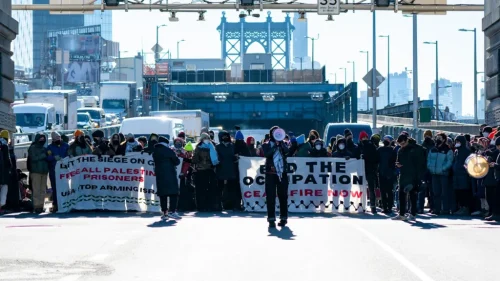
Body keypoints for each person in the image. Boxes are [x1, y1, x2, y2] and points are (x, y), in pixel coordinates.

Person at [262, 126, 289, 228]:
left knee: (283, 196)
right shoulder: (266, 145)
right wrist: (275, 147)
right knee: (270, 197)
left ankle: (283, 218)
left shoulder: (284, 144)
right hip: (270, 174)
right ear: (271, 134)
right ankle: (271, 219)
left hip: (282, 173)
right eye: (274, 132)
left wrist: (281, 144)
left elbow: (287, 152)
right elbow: (267, 154)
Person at [152, 136, 181, 220]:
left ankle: (164, 213)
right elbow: (177, 161)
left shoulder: (155, 151)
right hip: (170, 174)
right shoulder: (169, 150)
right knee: (173, 193)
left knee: (163, 194)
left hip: (160, 175)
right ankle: (172, 211)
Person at [392, 134, 420, 221]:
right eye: (400, 144)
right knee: (401, 194)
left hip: (412, 175)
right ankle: (402, 214)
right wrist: (398, 164)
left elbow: (417, 164)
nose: (402, 145)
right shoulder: (400, 150)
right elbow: (398, 160)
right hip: (403, 174)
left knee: (412, 195)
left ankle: (413, 214)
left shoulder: (414, 149)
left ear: (407, 141)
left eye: (403, 143)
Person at [427, 133, 454, 215]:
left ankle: (445, 209)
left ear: (444, 139)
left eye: (440, 138)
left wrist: (443, 169)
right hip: (434, 173)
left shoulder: (447, 150)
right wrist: (430, 168)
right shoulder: (432, 149)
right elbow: (428, 160)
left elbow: (449, 161)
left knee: (444, 192)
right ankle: (437, 209)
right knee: (436, 192)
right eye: (437, 137)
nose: (437, 139)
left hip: (443, 174)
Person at [192, 133, 219, 211]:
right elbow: (195, 159)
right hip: (201, 171)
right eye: (205, 138)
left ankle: (209, 205)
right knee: (201, 189)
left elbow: (215, 158)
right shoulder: (198, 147)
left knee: (210, 189)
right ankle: (201, 206)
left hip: (210, 170)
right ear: (202, 139)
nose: (207, 140)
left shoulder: (212, 147)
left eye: (208, 138)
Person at [46, 131, 69, 212]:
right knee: (55, 188)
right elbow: (48, 158)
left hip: (64, 170)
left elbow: (69, 155)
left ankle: (66, 203)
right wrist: (53, 158)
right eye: (56, 138)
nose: (58, 139)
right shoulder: (50, 147)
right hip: (54, 171)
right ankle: (55, 204)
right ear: (53, 139)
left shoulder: (66, 145)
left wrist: (64, 158)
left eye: (59, 137)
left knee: (65, 187)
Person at [216, 130, 239, 211]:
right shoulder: (218, 147)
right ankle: (219, 205)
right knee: (220, 189)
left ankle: (231, 205)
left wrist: (236, 158)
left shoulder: (232, 146)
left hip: (231, 169)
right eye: (223, 136)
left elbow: (235, 156)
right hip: (221, 170)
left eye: (226, 136)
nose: (225, 138)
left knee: (231, 189)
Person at [358, 131, 379, 213]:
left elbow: (375, 158)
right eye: (363, 137)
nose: (364, 139)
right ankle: (371, 206)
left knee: (369, 188)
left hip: (367, 170)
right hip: (369, 170)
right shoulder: (371, 146)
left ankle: (372, 205)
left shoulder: (362, 146)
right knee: (370, 188)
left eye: (365, 137)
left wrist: (365, 157)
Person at [28, 133, 48, 213]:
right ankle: (36, 206)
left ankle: (41, 206)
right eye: (40, 139)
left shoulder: (44, 148)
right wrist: (44, 155)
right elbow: (34, 158)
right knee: (36, 190)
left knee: (43, 190)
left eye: (43, 139)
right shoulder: (32, 148)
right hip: (35, 171)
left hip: (44, 171)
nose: (42, 140)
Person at [452, 135, 471, 215]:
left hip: (463, 175)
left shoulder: (467, 151)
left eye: (458, 142)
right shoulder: (456, 151)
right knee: (458, 192)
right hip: (456, 174)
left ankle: (465, 207)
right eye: (456, 142)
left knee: (464, 192)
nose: (457, 143)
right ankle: (461, 207)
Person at [378, 135, 396, 214]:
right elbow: (394, 161)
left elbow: (377, 160)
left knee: (383, 191)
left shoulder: (379, 150)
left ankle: (384, 207)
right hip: (390, 173)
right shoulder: (392, 150)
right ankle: (390, 207)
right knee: (390, 191)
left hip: (381, 172)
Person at [0, 130, 11, 214]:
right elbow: (7, 160)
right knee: (4, 189)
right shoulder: (5, 145)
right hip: (3, 171)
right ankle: (1, 206)